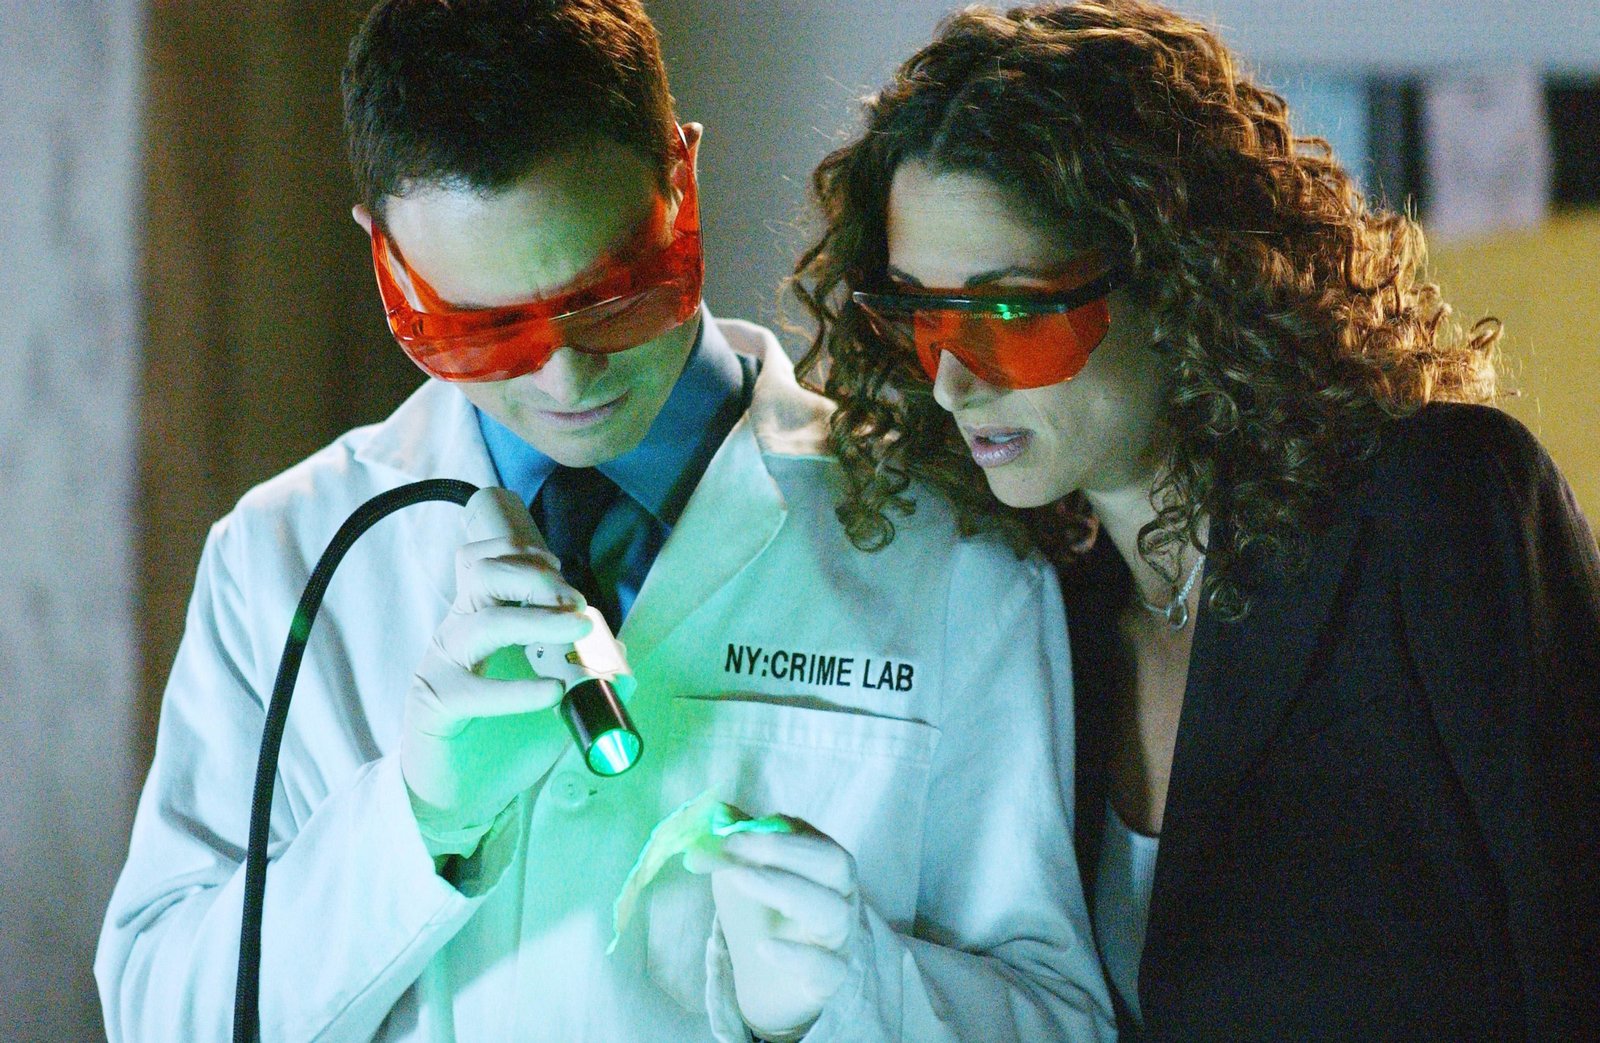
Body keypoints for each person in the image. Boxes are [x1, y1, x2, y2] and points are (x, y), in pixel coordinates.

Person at [96, 2, 1117, 1040]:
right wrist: (412, 822)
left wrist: (856, 991)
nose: (565, 378)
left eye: (614, 297)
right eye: (481, 329)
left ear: (682, 181)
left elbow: (1058, 1017)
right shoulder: (281, 555)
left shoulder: (948, 552)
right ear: (386, 261)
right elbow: (160, 1017)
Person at [793, 2, 1600, 1039]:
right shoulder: (1040, 610)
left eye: (1013, 316)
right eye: (922, 315)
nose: (953, 381)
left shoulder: (1432, 504)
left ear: (1183, 281)